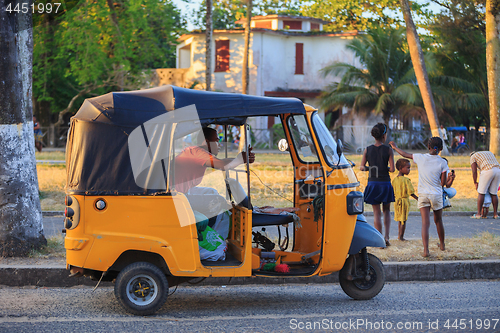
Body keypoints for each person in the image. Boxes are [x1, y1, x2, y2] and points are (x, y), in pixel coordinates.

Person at [390, 137, 448, 257]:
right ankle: (442, 245)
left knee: (425, 223)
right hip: (436, 194)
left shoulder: (421, 158)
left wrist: (395, 147)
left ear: (428, 146)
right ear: (441, 149)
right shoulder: (443, 162)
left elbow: (405, 154)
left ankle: (426, 250)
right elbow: (443, 183)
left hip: (423, 195)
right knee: (438, 221)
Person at [174, 127, 255, 194]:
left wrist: (241, 158)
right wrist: (241, 159)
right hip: (175, 195)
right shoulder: (198, 153)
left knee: (212, 192)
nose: (219, 144)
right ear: (206, 142)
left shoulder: (196, 151)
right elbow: (223, 165)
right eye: (216, 141)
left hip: (180, 192)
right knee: (217, 200)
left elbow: (221, 161)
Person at [360, 123, 395, 246]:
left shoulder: (367, 149)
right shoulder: (388, 150)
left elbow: (362, 167)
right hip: (385, 183)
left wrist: (371, 168)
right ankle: (387, 237)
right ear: (384, 135)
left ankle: (379, 239)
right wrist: (384, 167)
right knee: (386, 211)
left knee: (376, 213)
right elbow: (392, 169)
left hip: (373, 183)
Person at [392, 159, 418, 241]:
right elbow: (411, 192)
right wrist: (418, 199)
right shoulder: (406, 180)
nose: (409, 170)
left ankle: (399, 236)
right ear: (400, 168)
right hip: (403, 202)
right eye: (408, 168)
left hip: (396, 202)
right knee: (403, 220)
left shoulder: (394, 180)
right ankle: (401, 237)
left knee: (400, 220)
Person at [470, 151, 500, 219]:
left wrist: (475, 182)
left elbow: (474, 171)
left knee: (481, 192)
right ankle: (495, 214)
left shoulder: (473, 157)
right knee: (494, 193)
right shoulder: (488, 152)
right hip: (498, 170)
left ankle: (478, 214)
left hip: (487, 170)